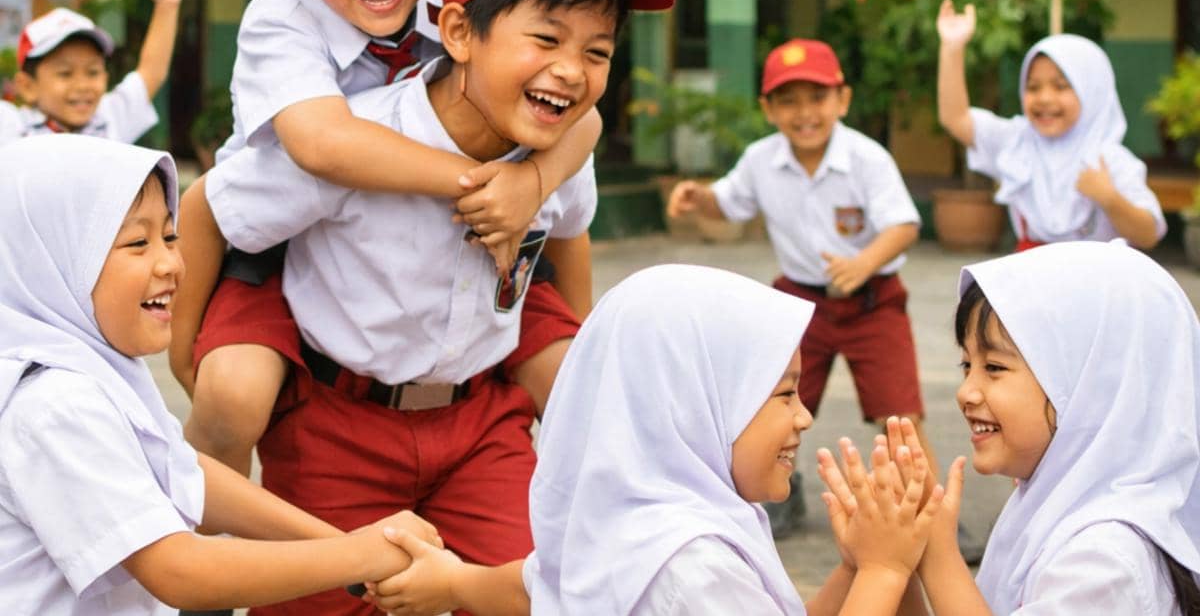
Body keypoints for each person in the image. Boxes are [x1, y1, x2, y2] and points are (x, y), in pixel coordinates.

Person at [198, 0, 674, 615]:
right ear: (456, 31)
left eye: (597, 51)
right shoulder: (350, 143)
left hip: (483, 422)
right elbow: (211, 206)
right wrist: (185, 353)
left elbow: (569, 236)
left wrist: (572, 376)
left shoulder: (558, 150)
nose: (571, 72)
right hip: (339, 427)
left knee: (549, 590)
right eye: (545, 39)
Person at [169, 0, 601, 478]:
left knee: (586, 390)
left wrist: (534, 184)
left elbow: (580, 114)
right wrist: (489, 182)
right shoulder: (282, 13)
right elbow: (322, 143)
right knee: (231, 396)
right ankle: (198, 540)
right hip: (288, 232)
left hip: (469, 233)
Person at [0, 134, 448, 614]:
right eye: (137, 242)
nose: (171, 263)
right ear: (50, 261)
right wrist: (357, 555)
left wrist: (351, 541)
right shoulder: (55, 404)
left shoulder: (93, 370)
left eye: (170, 237)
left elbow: (183, 472)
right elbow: (179, 571)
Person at [367, 264, 943, 615]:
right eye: (784, 394)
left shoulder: (631, 523)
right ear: (694, 403)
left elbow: (539, 591)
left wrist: (851, 568)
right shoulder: (689, 567)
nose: (805, 417)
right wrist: (884, 572)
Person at [835, 240, 1200, 614]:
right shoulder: (1051, 505)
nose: (966, 392)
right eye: (966, 365)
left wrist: (937, 554)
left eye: (993, 367)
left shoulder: (1105, 560)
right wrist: (900, 556)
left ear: (1091, 386)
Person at [667, 38, 936, 540]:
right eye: (788, 100)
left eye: (817, 97)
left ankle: (930, 516)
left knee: (899, 414)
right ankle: (773, 500)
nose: (804, 113)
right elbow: (728, 203)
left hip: (873, 302)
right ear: (768, 109)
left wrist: (863, 264)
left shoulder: (866, 158)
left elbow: (903, 225)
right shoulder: (760, 159)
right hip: (796, 304)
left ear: (843, 100)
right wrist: (697, 196)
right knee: (768, 406)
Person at [936, 0, 1165, 250]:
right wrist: (952, 48)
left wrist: (1109, 197)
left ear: (1093, 92)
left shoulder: (1110, 161)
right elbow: (955, 119)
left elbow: (1149, 235)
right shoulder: (1017, 140)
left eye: (1061, 86)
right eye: (1033, 87)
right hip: (1031, 280)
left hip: (1095, 284)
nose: (1044, 98)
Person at [0, 0, 184, 144]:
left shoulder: (111, 118)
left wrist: (167, 5)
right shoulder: (14, 128)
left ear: (106, 76)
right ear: (27, 86)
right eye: (65, 73)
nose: (82, 85)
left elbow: (151, 72)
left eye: (93, 72)